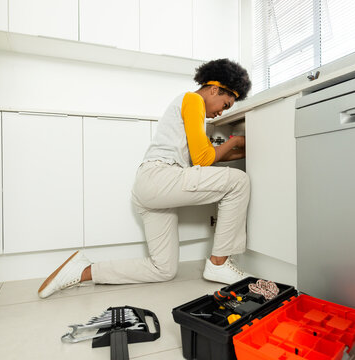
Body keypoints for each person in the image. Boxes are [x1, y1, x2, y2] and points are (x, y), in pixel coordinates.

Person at [38, 58, 252, 299]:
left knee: (163, 269)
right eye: (225, 103)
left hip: (152, 186)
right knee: (239, 181)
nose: (221, 112)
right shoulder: (192, 100)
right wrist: (234, 141)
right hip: (161, 177)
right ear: (214, 89)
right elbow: (204, 158)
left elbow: (202, 158)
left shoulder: (186, 106)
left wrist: (242, 150)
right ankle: (219, 263)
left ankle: (83, 271)